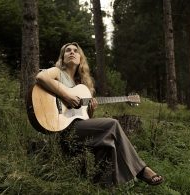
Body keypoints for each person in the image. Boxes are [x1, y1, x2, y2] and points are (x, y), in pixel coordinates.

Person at [35, 42, 163, 186]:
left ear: (80, 58)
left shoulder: (83, 87)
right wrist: (66, 96)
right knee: (112, 124)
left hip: (76, 127)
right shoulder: (57, 72)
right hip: (60, 128)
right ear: (62, 57)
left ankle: (102, 186)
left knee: (108, 143)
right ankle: (141, 170)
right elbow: (41, 77)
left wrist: (90, 110)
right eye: (67, 50)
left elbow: (82, 118)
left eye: (75, 51)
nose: (71, 52)